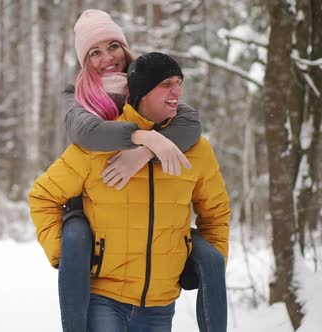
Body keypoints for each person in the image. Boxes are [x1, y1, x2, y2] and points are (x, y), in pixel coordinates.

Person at [29, 51, 231, 331]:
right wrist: (66, 255)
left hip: (160, 304)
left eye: (178, 82)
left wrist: (202, 263)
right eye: (165, 84)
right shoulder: (100, 143)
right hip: (105, 299)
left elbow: (216, 212)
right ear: (141, 92)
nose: (177, 91)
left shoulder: (197, 149)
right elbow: (42, 197)